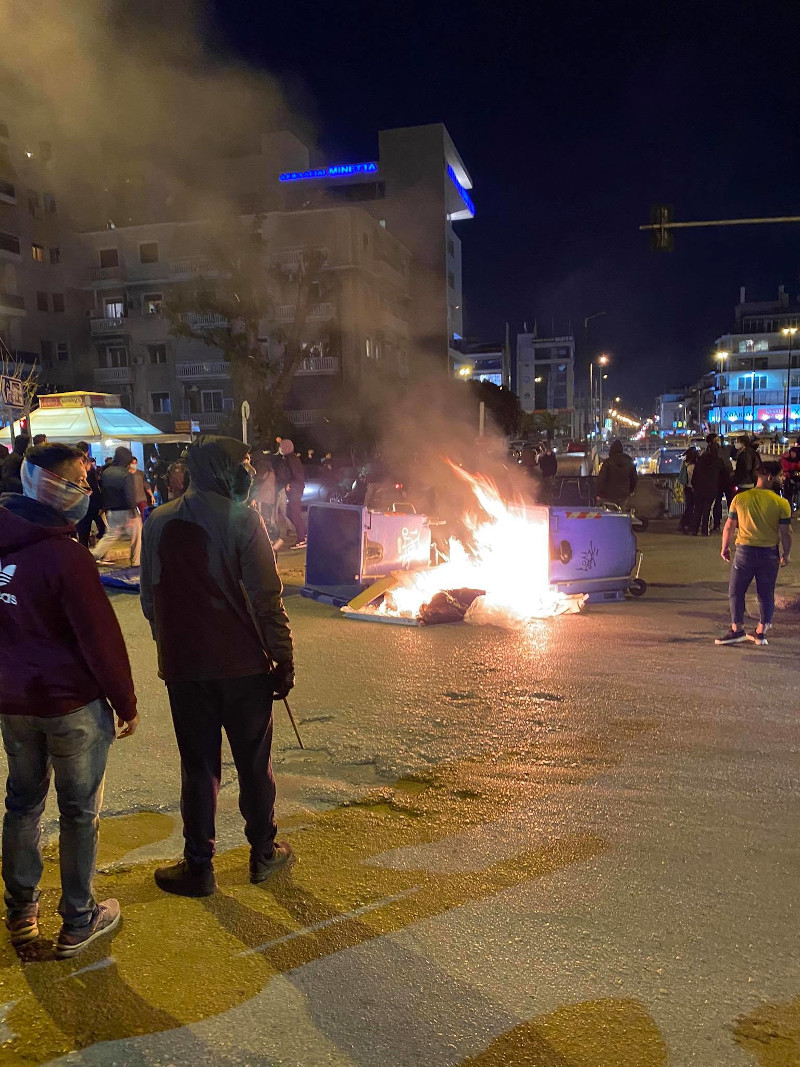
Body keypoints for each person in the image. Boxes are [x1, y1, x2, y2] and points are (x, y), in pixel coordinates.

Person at [140, 436, 295, 897]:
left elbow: (151, 597)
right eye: (243, 462)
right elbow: (267, 598)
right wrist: (283, 658)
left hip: (186, 670)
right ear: (225, 469)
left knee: (198, 767)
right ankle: (263, 854)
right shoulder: (244, 519)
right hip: (243, 668)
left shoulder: (158, 519)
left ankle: (198, 866)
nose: (248, 469)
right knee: (253, 764)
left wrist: (173, 649)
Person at [0, 443, 138, 956]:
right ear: (54, 486)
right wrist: (125, 703)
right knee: (79, 810)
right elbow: (99, 639)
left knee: (23, 803)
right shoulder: (65, 557)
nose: (87, 492)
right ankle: (79, 918)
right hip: (70, 706)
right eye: (80, 483)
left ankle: (21, 913)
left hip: (13, 703)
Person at [716, 460, 792, 646]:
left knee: (736, 591)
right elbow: (786, 532)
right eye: (779, 475)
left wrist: (725, 547)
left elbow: (729, 526)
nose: (781, 478)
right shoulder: (781, 503)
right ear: (769, 477)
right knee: (766, 593)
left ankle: (737, 629)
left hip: (744, 552)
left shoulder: (740, 499)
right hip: (769, 553)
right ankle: (761, 632)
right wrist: (786, 553)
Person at [90, 446, 142, 567]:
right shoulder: (125, 474)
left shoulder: (106, 472)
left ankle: (93, 556)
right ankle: (136, 562)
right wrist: (133, 512)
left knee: (110, 536)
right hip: (127, 510)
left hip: (112, 511)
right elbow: (129, 494)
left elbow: (103, 490)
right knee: (137, 536)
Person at [689, 444, 730, 535]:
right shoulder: (718, 461)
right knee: (707, 510)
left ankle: (694, 529)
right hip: (711, 489)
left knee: (698, 509)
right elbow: (724, 476)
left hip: (699, 489)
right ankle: (705, 530)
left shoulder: (700, 461)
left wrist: (695, 486)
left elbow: (695, 476)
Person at [74, 442, 106, 549]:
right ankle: (93, 553)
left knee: (83, 533)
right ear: (87, 452)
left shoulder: (72, 465)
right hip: (90, 504)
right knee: (102, 529)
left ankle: (85, 554)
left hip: (79, 503)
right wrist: (100, 505)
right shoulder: (86, 466)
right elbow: (94, 488)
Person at [278, 439, 306, 549]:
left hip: (295, 490)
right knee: (290, 512)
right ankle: (303, 534)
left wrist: (290, 483)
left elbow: (297, 475)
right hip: (295, 489)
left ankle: (302, 539)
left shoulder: (291, 459)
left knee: (294, 514)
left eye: (281, 447)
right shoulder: (289, 459)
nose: (279, 449)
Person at [595, 440, 637, 507]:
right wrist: (630, 491)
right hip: (624, 495)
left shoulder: (608, 462)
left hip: (609, 496)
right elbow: (634, 479)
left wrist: (599, 494)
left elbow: (601, 479)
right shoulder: (629, 461)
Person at [677, 446, 698, 533]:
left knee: (689, 507)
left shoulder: (685, 463)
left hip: (686, 487)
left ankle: (684, 524)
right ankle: (686, 524)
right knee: (691, 507)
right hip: (692, 488)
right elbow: (693, 479)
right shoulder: (693, 466)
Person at [780, 437, 800, 512]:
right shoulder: (786, 457)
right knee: (788, 492)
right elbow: (785, 468)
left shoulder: (792, 455)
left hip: (793, 477)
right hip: (789, 478)